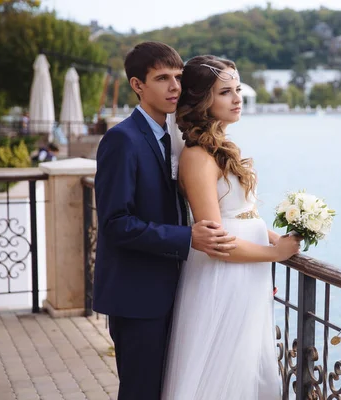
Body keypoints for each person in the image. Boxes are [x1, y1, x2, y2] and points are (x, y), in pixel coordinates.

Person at [92, 42, 237, 400]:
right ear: (138, 85)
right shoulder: (121, 139)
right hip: (137, 295)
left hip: (176, 289)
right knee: (141, 391)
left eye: (178, 78)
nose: (174, 87)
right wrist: (187, 238)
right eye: (162, 78)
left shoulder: (174, 137)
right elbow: (115, 223)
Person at [161, 55, 301, 399]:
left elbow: (240, 213)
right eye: (225, 92)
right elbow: (215, 241)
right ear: (201, 100)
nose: (237, 98)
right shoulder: (197, 157)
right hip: (222, 277)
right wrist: (274, 253)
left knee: (248, 370)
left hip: (247, 275)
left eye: (237, 89)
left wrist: (275, 235)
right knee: (222, 373)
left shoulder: (223, 148)